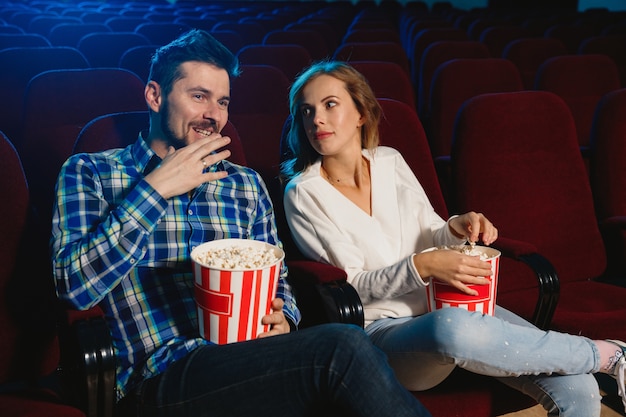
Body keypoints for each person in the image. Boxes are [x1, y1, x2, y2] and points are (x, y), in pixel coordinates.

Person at [51, 30, 432, 417]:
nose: (213, 115)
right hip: (161, 375)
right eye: (198, 96)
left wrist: (284, 318)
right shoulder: (90, 172)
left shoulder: (245, 184)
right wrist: (156, 189)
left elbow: (277, 278)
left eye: (222, 102)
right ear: (155, 95)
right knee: (344, 347)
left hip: (253, 359)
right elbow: (75, 289)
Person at [281, 60, 626, 417]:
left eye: (330, 104)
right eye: (306, 111)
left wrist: (455, 227)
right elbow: (350, 287)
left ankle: (601, 359)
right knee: (453, 327)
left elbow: (429, 229)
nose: (316, 119)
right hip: (384, 332)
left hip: (448, 305)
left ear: (361, 113)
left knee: (579, 387)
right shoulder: (304, 192)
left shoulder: (389, 161)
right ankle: (607, 354)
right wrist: (423, 265)